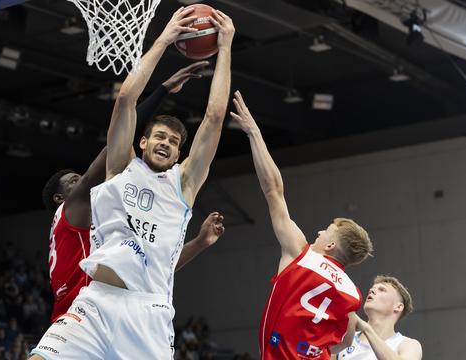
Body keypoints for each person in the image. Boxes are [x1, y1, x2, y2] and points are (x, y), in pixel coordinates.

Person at [30, 5, 234, 359]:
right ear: (142, 141)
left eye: (173, 141)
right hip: (95, 302)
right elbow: (126, 99)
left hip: (148, 314)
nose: (165, 143)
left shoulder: (184, 183)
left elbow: (215, 117)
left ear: (179, 152)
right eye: (159, 136)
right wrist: (165, 39)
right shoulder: (120, 168)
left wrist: (226, 47)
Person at [41, 61, 214, 322]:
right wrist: (163, 91)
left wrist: (199, 243)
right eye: (74, 181)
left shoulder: (92, 229)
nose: (84, 181)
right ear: (60, 198)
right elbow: (118, 133)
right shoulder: (73, 207)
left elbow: (157, 268)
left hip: (86, 315)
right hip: (85, 317)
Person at [228, 91, 373, 360]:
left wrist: (254, 134)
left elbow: (274, 191)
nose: (318, 231)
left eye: (325, 230)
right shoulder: (350, 294)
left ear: (330, 244)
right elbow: (343, 342)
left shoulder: (301, 255)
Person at [335, 275, 422, 360]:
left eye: (382, 290)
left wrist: (367, 329)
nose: (371, 291)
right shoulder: (345, 338)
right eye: (372, 289)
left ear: (398, 307)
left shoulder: (408, 344)